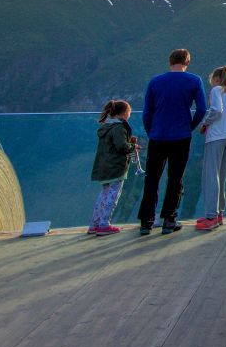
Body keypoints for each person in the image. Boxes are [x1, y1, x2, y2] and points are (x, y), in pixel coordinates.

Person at [138, 47, 207, 234]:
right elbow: (202, 109)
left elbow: (147, 112)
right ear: (187, 62)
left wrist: (151, 130)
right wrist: (190, 126)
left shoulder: (155, 82)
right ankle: (169, 220)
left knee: (152, 178)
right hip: (181, 136)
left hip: (157, 135)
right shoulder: (194, 80)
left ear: (170, 62)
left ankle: (146, 222)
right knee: (175, 178)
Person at [194, 65, 226, 232]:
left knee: (211, 175)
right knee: (222, 175)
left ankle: (211, 216)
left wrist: (205, 123)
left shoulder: (216, 91)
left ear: (216, 79)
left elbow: (216, 110)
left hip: (217, 136)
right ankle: (219, 213)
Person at [88, 99, 137, 236]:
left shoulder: (106, 127)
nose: (129, 115)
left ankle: (94, 224)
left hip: (104, 167)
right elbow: (121, 147)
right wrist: (133, 146)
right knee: (113, 196)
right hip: (116, 167)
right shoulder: (119, 128)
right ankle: (104, 224)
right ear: (124, 113)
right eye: (129, 112)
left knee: (103, 196)